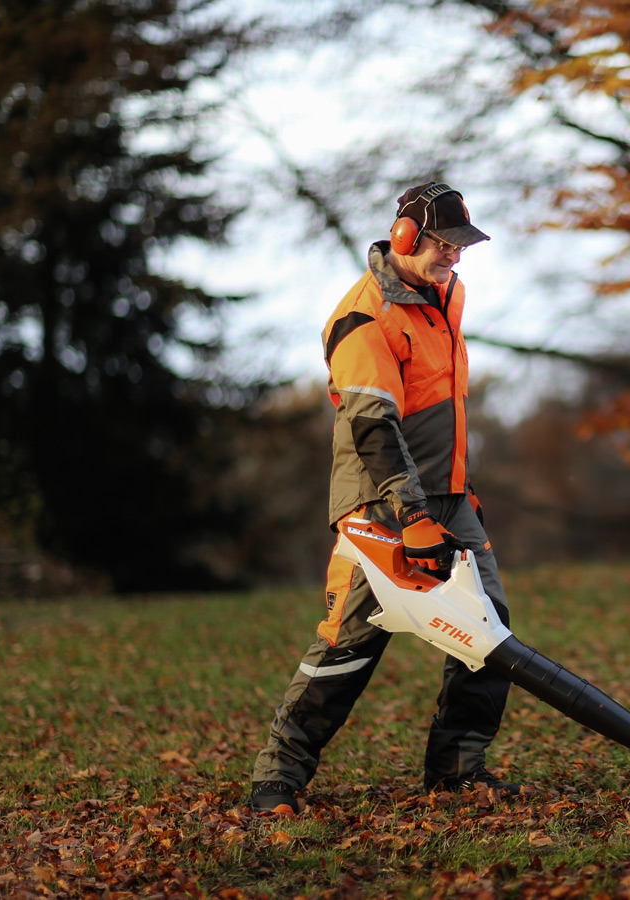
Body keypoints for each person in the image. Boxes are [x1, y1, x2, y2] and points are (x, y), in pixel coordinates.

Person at [249, 182, 518, 815]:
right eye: (443, 245)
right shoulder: (364, 318)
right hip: (382, 504)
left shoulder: (445, 295)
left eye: (461, 246)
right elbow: (374, 428)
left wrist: (459, 491)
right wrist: (416, 516)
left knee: (489, 631)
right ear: (404, 238)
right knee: (350, 642)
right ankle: (278, 778)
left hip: (445, 497)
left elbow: (442, 407)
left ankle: (457, 770)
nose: (455, 258)